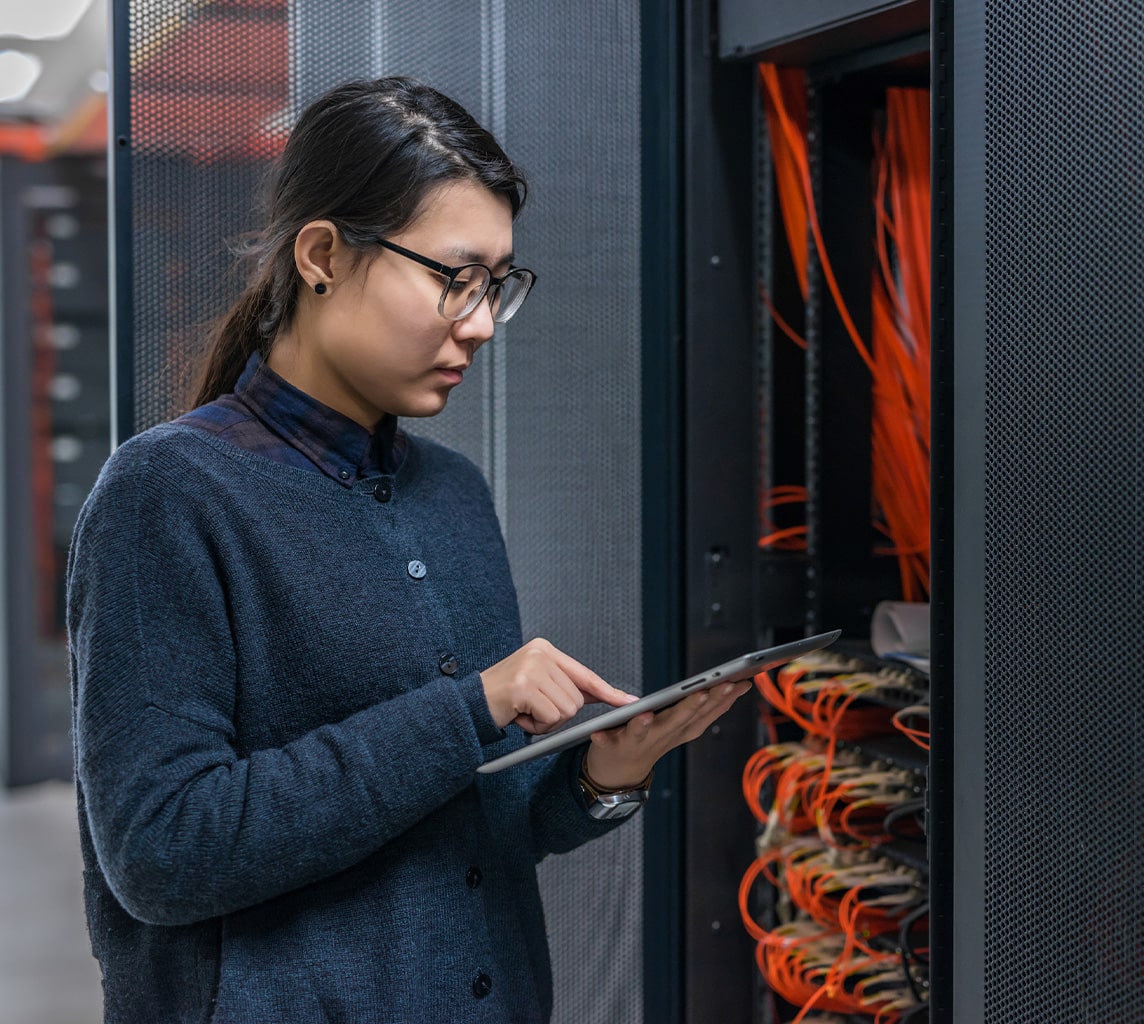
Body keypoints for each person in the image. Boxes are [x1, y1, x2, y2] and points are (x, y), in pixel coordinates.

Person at [67, 76, 751, 1023]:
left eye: (497, 285)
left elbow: (477, 828)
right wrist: (470, 707)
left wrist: (602, 776)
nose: (478, 323)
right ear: (321, 256)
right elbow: (163, 852)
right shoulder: (169, 493)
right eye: (452, 277)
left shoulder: (454, 494)